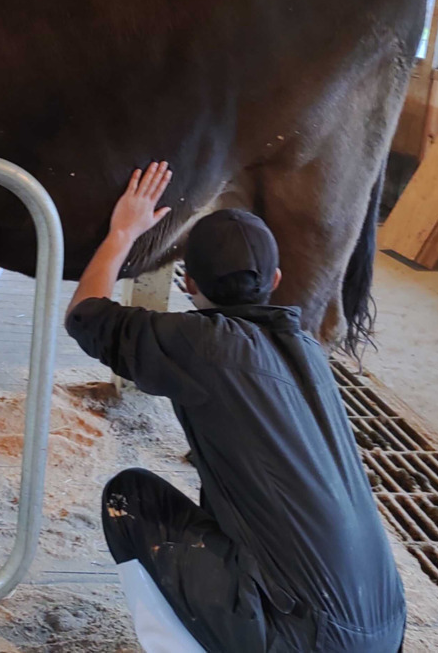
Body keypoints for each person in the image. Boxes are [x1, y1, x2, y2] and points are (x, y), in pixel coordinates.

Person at [65, 162, 406, 653]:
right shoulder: (306, 347)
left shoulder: (203, 343)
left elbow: (85, 313)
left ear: (189, 285)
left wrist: (123, 233)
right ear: (276, 278)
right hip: (384, 628)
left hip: (309, 638)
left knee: (130, 499)